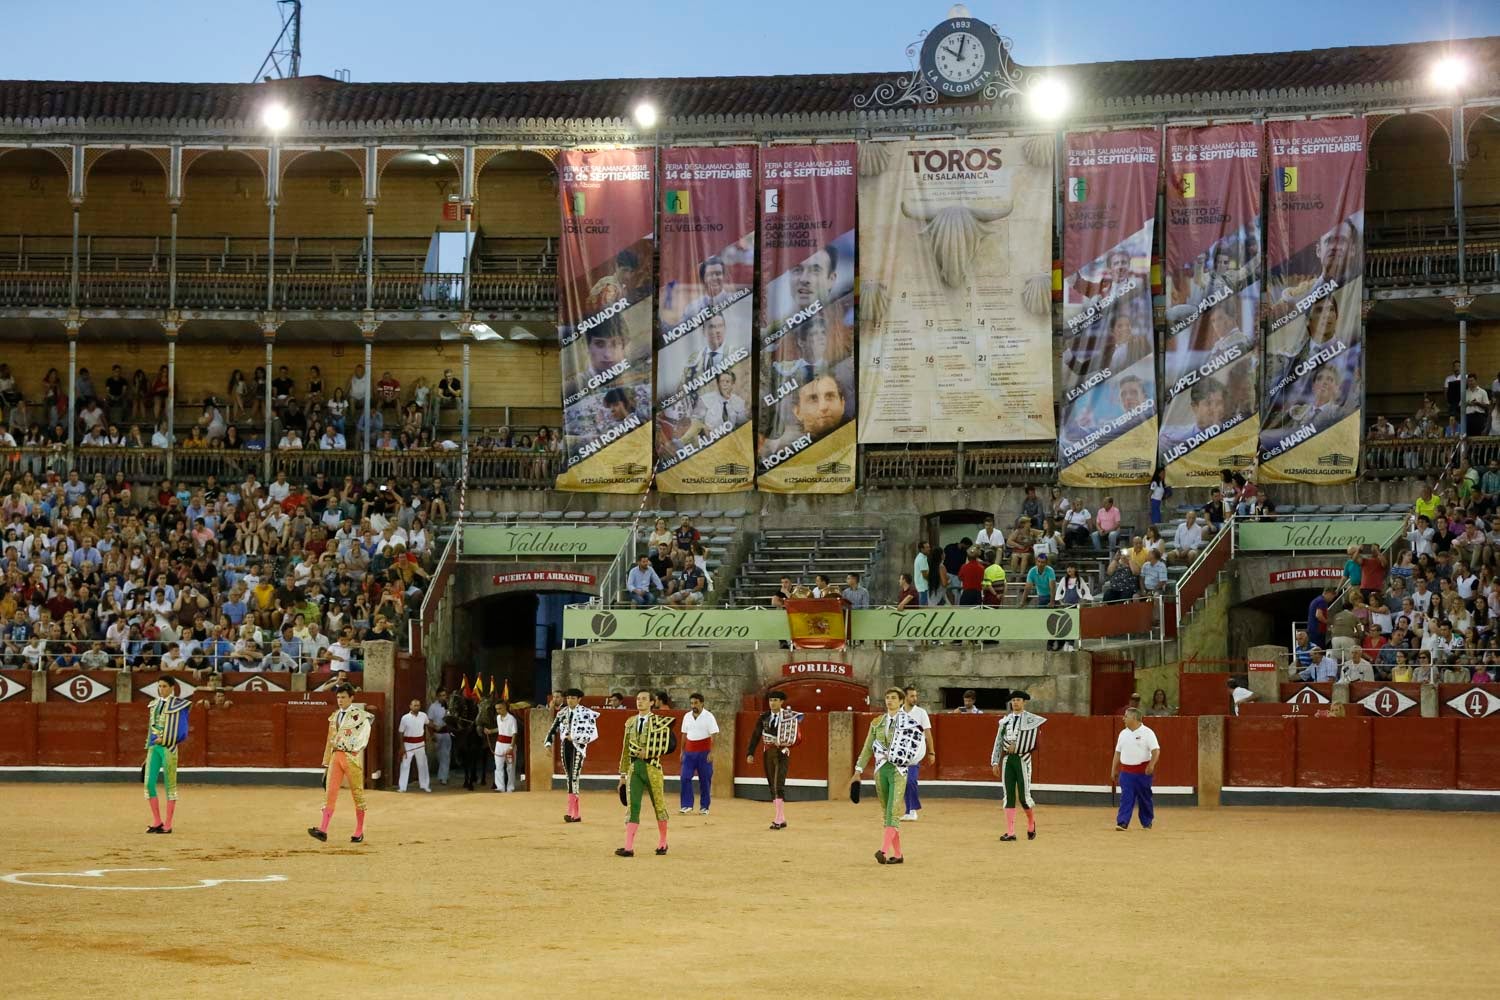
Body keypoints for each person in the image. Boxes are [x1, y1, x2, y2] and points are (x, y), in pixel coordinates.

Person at [852, 687, 924, 865]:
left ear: (901, 701)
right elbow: (868, 747)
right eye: (887, 698)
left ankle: (883, 850)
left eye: (893, 698)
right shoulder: (877, 722)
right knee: (887, 813)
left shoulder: (910, 723)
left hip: (898, 770)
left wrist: (911, 760)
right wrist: (858, 770)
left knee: (893, 810)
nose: (889, 701)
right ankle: (898, 855)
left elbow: (916, 747)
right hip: (881, 769)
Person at [309, 683, 372, 844]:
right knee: (330, 793)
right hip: (336, 757)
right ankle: (323, 830)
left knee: (357, 794)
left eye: (343, 697)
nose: (340, 700)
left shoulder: (360, 716)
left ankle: (359, 832)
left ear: (351, 698)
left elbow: (365, 735)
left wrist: (354, 748)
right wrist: (326, 764)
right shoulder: (334, 716)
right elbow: (329, 742)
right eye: (338, 697)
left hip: (350, 757)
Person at [616, 690, 674, 858]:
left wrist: (649, 751)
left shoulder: (659, 722)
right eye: (638, 699)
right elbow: (625, 750)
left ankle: (663, 843)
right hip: (635, 769)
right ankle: (628, 847)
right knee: (632, 807)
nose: (639, 702)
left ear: (651, 703)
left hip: (653, 768)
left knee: (659, 805)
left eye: (643, 699)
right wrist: (622, 775)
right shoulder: (630, 723)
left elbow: (669, 746)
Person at [991, 690, 1045, 842]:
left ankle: (1030, 823)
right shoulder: (1004, 721)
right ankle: (1010, 832)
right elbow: (998, 742)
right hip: (1008, 760)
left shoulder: (1031, 721)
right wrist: (995, 761)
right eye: (1013, 700)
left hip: (1023, 759)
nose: (1015, 702)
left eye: (1018, 700)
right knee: (1009, 795)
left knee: (1023, 797)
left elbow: (1035, 742)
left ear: (1024, 702)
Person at [746, 690, 803, 830]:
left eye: (776, 700)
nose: (772, 703)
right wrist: (750, 753)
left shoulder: (789, 717)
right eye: (771, 700)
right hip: (768, 752)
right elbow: (756, 735)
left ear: (782, 702)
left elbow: (797, 737)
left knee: (779, 784)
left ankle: (778, 819)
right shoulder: (764, 717)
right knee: (772, 785)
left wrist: (785, 743)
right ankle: (781, 818)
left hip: (782, 753)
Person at [143, 677, 191, 834]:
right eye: (159, 686)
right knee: (148, 784)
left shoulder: (180, 705)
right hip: (154, 748)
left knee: (170, 786)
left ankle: (168, 824)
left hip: (168, 748)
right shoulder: (153, 704)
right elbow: (151, 729)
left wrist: (165, 739)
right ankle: (157, 821)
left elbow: (183, 732)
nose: (161, 689)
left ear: (172, 688)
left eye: (164, 686)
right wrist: (148, 750)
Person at [545, 688, 599, 823]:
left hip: (578, 747)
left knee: (574, 777)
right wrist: (548, 744)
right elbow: (553, 729)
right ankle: (574, 813)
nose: (570, 700)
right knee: (569, 777)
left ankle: (573, 813)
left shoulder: (586, 713)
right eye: (568, 698)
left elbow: (593, 733)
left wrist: (574, 736)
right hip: (565, 747)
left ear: (579, 699)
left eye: (573, 698)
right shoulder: (562, 713)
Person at [1112, 707, 1161, 831]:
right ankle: (1122, 822)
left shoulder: (1148, 732)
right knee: (1126, 797)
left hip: (1142, 772)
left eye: (1126, 716)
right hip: (1126, 772)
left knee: (1144, 798)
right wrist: (1113, 769)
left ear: (1134, 718)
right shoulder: (1123, 733)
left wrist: (1151, 765)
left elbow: (1156, 751)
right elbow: (1117, 753)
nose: (1123, 718)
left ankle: (1147, 821)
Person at [679, 692, 719, 816]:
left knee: (705, 780)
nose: (693, 705)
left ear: (702, 703)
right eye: (691, 703)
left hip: (704, 753)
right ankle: (686, 805)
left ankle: (704, 806)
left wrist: (712, 752)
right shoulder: (687, 716)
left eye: (696, 703)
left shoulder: (709, 716)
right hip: (689, 752)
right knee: (685, 777)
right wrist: (682, 751)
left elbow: (714, 735)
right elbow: (684, 735)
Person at [901, 685, 936, 822]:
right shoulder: (898, 713)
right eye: (912, 696)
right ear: (904, 697)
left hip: (915, 753)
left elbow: (927, 733)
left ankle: (912, 810)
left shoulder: (921, 713)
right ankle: (908, 810)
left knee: (911, 781)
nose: (915, 698)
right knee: (903, 782)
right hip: (900, 754)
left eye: (916, 696)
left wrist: (931, 752)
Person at [397, 697, 432, 793]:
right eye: (415, 705)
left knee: (422, 764)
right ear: (410, 706)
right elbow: (400, 732)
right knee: (405, 765)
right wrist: (402, 746)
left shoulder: (423, 716)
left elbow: (428, 724)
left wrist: (434, 730)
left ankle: (425, 785)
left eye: (418, 705)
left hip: (420, 744)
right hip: (408, 744)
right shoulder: (405, 718)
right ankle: (402, 787)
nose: (417, 707)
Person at [492, 700, 519, 792]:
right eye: (496, 709)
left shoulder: (512, 719)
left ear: (505, 707)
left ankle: (510, 787)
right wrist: (490, 731)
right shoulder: (498, 718)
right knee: (498, 766)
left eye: (500, 708)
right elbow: (499, 729)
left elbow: (514, 734)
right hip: (499, 744)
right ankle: (500, 787)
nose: (498, 710)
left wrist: (511, 747)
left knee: (510, 767)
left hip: (509, 745)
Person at [427, 688, 451, 786]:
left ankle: (443, 778)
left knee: (446, 755)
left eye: (444, 695)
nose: (443, 697)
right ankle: (441, 775)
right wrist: (432, 734)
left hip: (446, 733)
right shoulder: (433, 707)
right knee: (439, 756)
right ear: (437, 696)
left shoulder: (450, 706)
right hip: (437, 733)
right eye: (441, 695)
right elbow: (429, 721)